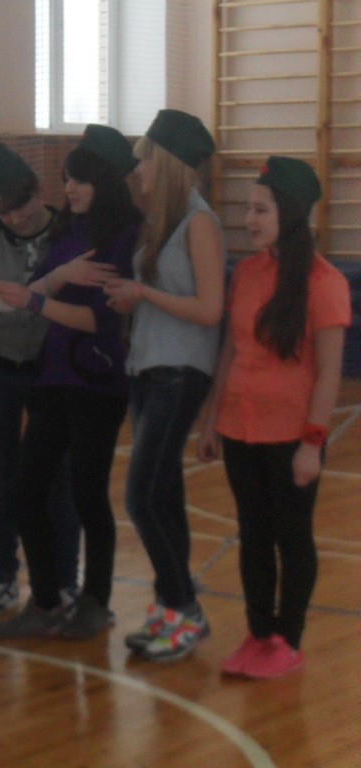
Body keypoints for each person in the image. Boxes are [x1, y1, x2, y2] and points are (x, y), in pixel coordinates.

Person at [0, 125, 142, 640]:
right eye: (67, 179)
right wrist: (54, 282)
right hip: (53, 377)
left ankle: (95, 601)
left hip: (96, 381)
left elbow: (99, 320)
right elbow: (42, 286)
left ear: (104, 181)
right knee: (26, 490)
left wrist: (37, 300)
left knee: (88, 493)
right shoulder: (68, 230)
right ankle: (46, 601)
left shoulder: (123, 235)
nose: (69, 189)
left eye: (79, 180)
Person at [198, 157, 349, 679]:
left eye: (260, 210)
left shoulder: (324, 282)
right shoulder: (246, 273)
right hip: (240, 428)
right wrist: (212, 420)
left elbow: (329, 374)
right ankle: (259, 633)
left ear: (289, 213)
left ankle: (289, 639)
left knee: (292, 536)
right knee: (253, 534)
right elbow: (230, 350)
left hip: (291, 435)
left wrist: (312, 443)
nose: (249, 220)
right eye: (248, 208)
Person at [0, 142, 110, 615]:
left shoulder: (71, 233)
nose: (14, 218)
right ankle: (2, 577)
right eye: (2, 211)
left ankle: (64, 581)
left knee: (60, 480)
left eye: (20, 206)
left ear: (38, 192)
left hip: (52, 375)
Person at [101, 109, 226, 661]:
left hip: (181, 371)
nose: (138, 170)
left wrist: (144, 294)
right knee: (165, 496)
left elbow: (210, 310)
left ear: (168, 163)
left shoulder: (200, 223)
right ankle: (171, 608)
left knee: (142, 496)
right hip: (148, 366)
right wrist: (129, 299)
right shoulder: (161, 221)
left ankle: (184, 607)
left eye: (146, 159)